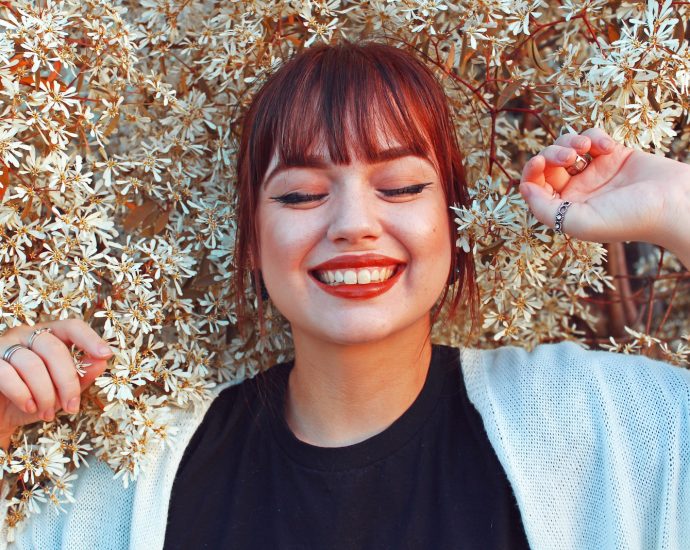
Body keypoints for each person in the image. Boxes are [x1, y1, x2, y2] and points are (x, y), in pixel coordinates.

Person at [0, 40, 688, 550]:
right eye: (300, 194)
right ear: (250, 240)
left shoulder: (593, 425)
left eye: (402, 187)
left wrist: (675, 206)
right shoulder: (129, 482)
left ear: (455, 219)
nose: (354, 224)